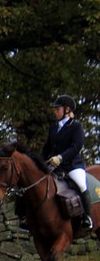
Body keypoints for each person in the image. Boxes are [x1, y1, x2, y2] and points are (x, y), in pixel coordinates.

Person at [43, 94, 93, 230]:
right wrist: (41, 162)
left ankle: (87, 217)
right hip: (54, 166)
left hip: (72, 165)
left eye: (57, 109)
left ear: (66, 110)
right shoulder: (53, 128)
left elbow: (76, 146)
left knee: (81, 184)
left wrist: (60, 157)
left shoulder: (76, 127)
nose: (55, 112)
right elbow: (47, 147)